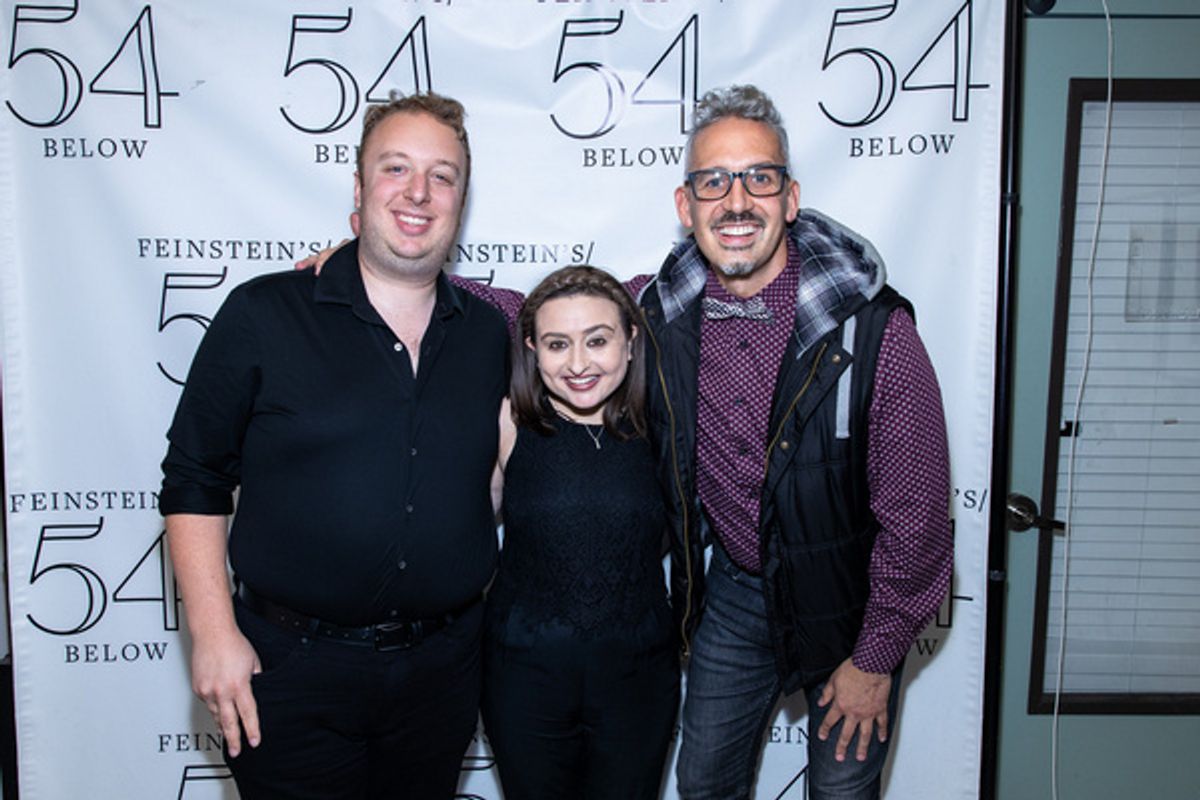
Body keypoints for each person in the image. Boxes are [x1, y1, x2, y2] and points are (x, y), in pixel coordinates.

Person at [159, 92, 509, 799]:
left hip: (443, 674)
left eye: (442, 176)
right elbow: (194, 477)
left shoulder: (489, 332)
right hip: (289, 672)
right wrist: (213, 633)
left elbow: (594, 320)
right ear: (358, 189)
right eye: (395, 168)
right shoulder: (264, 313)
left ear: (462, 200)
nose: (418, 192)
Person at [634, 85, 953, 800]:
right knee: (703, 782)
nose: (736, 201)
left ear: (790, 199)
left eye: (759, 178)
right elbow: (560, 310)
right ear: (686, 206)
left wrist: (875, 658)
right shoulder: (662, 313)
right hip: (738, 590)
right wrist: (413, 281)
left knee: (841, 792)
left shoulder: (874, 331)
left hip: (854, 601)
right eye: (714, 181)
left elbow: (919, 521)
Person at [482, 265, 678, 799]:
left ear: (631, 341)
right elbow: (463, 529)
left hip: (639, 674)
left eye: (597, 340)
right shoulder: (509, 421)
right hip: (523, 674)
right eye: (556, 344)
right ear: (532, 349)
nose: (577, 364)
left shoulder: (666, 425)